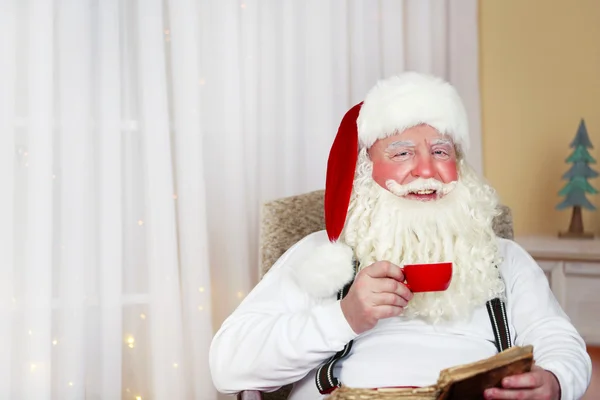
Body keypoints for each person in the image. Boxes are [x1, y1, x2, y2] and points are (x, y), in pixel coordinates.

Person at [209, 72, 592, 400]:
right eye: (402, 153)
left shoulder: (503, 258)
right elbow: (228, 364)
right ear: (366, 170)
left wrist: (555, 381)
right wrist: (344, 317)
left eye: (441, 151)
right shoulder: (321, 258)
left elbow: (559, 340)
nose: (426, 170)